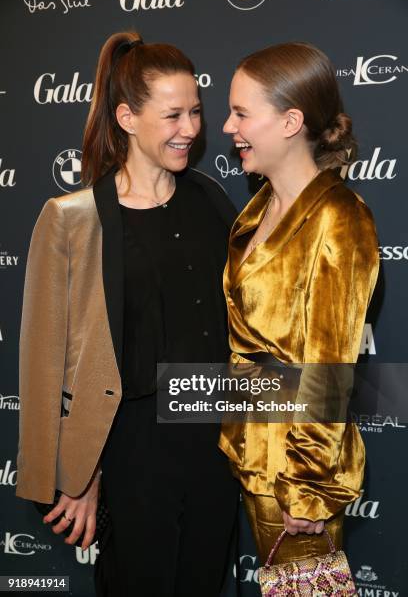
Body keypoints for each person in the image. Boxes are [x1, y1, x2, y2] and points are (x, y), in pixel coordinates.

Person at [16, 31, 239, 596]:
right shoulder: (72, 218)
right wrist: (78, 476)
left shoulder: (212, 199)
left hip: (213, 442)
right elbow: (44, 360)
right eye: (171, 115)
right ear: (127, 117)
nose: (189, 129)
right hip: (128, 448)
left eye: (194, 112)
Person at [219, 42, 379, 565]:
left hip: (298, 472)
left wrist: (308, 487)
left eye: (241, 113)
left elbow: (329, 367)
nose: (227, 127)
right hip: (254, 451)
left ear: (291, 122)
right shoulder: (260, 205)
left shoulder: (339, 217)